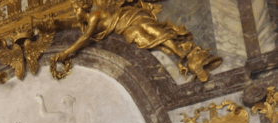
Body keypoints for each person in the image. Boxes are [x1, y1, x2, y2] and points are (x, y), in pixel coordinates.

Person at [53, 0, 220, 83]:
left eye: (76, 9)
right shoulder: (88, 20)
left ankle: (186, 57)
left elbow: (85, 37)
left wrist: (66, 52)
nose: (75, 12)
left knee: (157, 31)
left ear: (82, 8)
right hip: (126, 29)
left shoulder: (94, 16)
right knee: (150, 39)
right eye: (75, 9)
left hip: (131, 16)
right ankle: (185, 58)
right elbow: (77, 28)